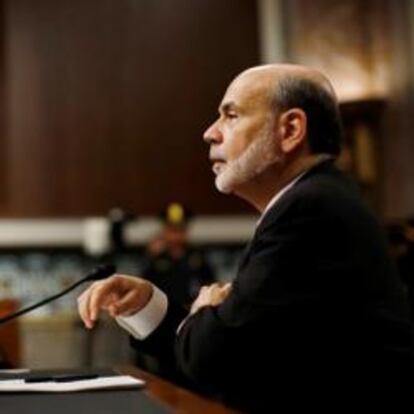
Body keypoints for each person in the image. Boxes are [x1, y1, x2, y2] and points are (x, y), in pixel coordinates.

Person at [78, 64, 413, 409]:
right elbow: (231, 349)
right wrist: (149, 305)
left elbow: (216, 358)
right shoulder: (314, 199)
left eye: (231, 115)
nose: (210, 133)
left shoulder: (308, 210)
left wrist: (206, 317)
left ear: (291, 129)